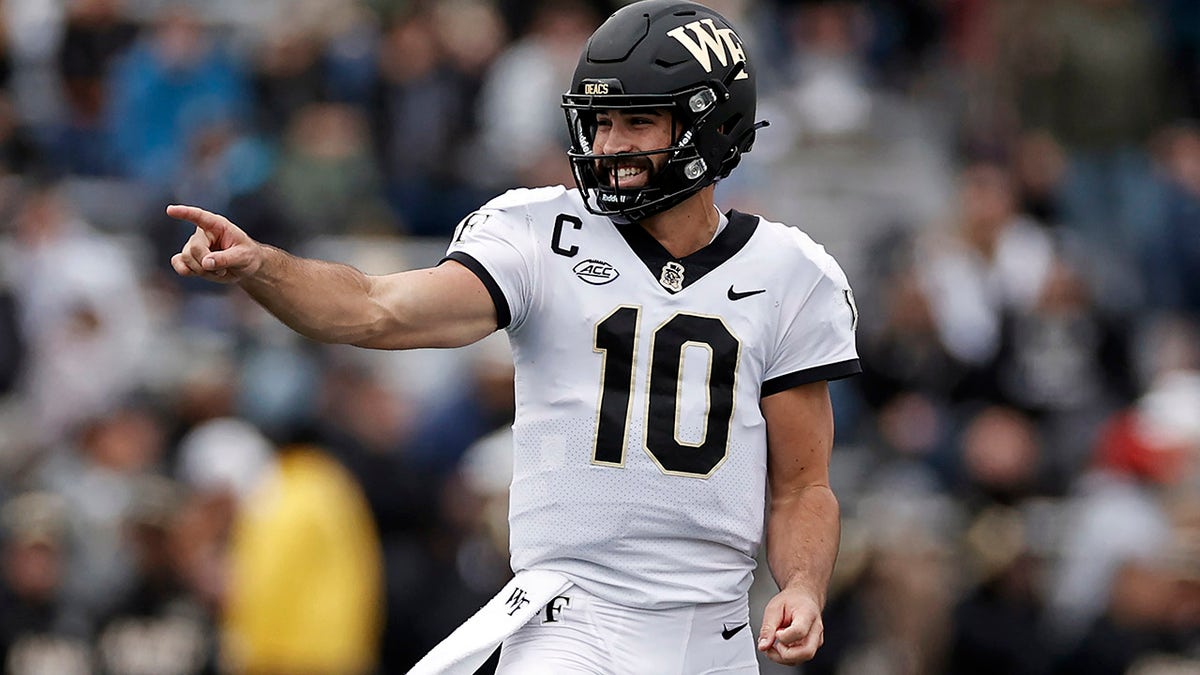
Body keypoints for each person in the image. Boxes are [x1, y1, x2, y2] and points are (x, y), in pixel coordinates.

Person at [167, 1, 860, 671]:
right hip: (573, 621)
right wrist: (264, 267)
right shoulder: (540, 235)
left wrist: (801, 584)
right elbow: (378, 308)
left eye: (638, 122)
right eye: (601, 123)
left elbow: (801, 486)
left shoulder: (791, 274)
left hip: (716, 632)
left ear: (711, 125)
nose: (610, 146)